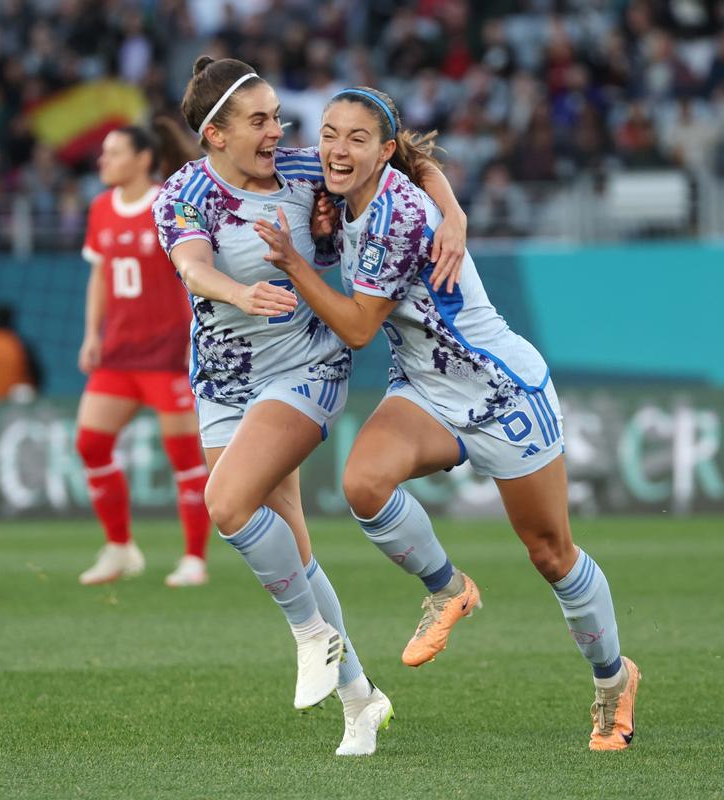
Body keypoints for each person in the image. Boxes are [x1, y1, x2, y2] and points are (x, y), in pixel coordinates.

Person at [254, 86, 640, 752]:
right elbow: (422, 163)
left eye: (356, 138)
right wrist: (452, 206)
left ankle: (613, 681)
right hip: (425, 388)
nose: (337, 149)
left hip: (499, 392)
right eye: (328, 133)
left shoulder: (394, 216)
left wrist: (292, 262)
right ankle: (448, 588)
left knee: (550, 553)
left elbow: (353, 327)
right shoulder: (346, 173)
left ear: (383, 152)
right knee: (363, 485)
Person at [153, 57, 468, 756]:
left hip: (305, 363)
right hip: (225, 381)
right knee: (288, 546)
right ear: (216, 136)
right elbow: (194, 266)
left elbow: (411, 163)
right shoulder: (181, 194)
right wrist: (238, 294)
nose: (279, 132)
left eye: (277, 118)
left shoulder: (305, 170)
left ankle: (309, 634)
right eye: (260, 120)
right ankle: (361, 700)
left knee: (227, 503)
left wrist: (454, 215)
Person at [75, 123, 213, 589]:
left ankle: (194, 558)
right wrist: (91, 334)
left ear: (142, 160)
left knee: (184, 457)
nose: (103, 161)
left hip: (167, 353)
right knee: (91, 445)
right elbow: (100, 276)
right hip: (118, 354)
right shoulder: (99, 209)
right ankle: (119, 548)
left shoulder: (167, 204)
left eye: (113, 152)